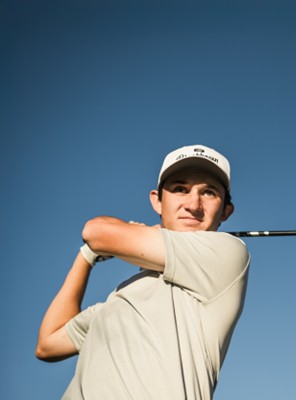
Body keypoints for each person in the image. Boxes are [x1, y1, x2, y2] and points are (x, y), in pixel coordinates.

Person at [36, 145, 250, 399]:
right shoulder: (117, 300)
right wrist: (86, 256)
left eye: (209, 192)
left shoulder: (228, 252)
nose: (193, 205)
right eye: (180, 189)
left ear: (225, 211)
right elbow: (48, 344)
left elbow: (96, 231)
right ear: (157, 201)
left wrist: (127, 235)